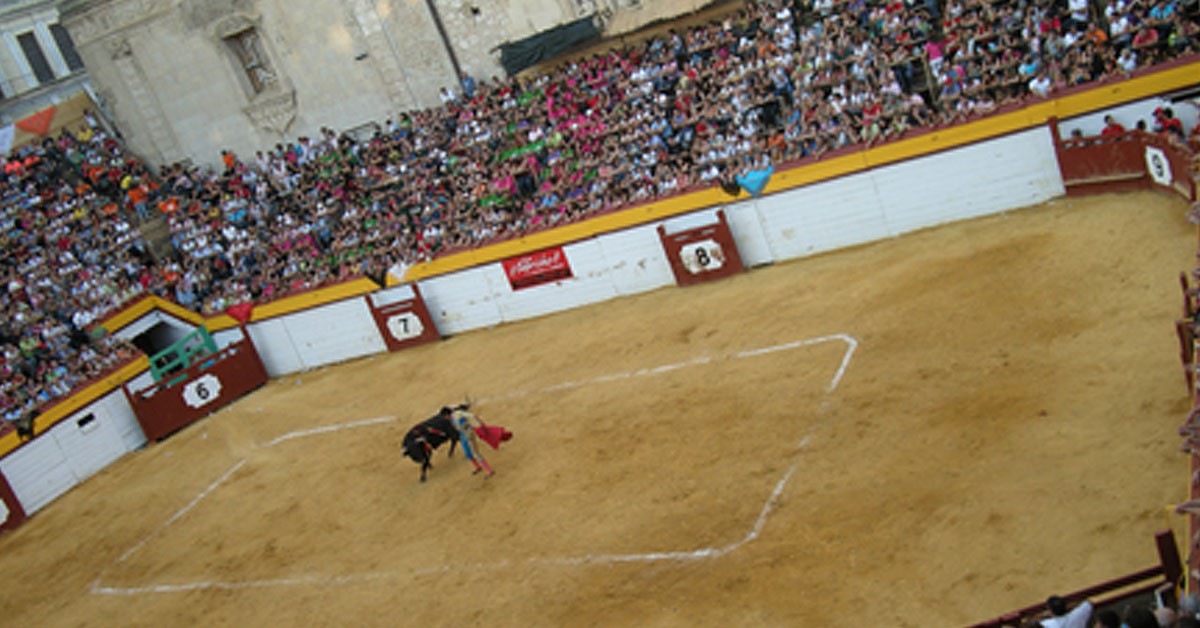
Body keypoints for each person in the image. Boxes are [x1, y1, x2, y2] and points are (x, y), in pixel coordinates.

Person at [451, 405, 494, 477]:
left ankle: (489, 470)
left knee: (475, 452)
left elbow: (472, 416)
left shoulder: (458, 414)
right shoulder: (452, 417)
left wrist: (481, 424)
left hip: (468, 433)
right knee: (467, 452)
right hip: (463, 435)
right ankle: (477, 467)